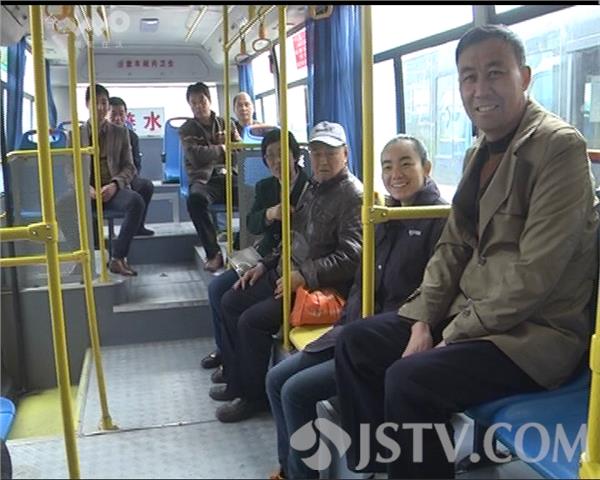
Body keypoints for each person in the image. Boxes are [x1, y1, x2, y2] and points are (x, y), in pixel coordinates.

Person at [335, 24, 599, 479]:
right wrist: (423, 319)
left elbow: (535, 274)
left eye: (495, 73)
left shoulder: (559, 147)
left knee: (410, 380)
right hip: (476, 315)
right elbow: (453, 246)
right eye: (468, 77)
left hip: (533, 334)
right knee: (356, 342)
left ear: (524, 77)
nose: (480, 89)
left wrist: (451, 333)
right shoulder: (478, 153)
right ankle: (380, 464)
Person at [265, 135, 447, 480]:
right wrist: (345, 323)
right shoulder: (384, 217)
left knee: (294, 392)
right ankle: (290, 470)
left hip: (392, 338)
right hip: (355, 330)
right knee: (276, 379)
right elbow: (362, 283)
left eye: (406, 164)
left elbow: (435, 293)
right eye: (387, 167)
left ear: (426, 167)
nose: (396, 174)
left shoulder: (439, 219)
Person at [211, 121, 363, 423]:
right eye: (317, 153)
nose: (322, 161)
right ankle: (238, 381)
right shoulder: (315, 188)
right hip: (286, 271)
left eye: (330, 153)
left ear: (345, 154)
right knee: (230, 300)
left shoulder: (352, 195)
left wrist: (303, 275)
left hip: (317, 286)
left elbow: (351, 256)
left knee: (251, 321)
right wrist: (264, 265)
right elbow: (292, 237)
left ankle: (254, 398)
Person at [202, 129, 310, 374]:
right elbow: (252, 224)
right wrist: (270, 214)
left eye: (282, 153)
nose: (276, 161)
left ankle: (232, 361)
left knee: (231, 298)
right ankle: (225, 352)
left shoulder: (309, 187)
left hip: (289, 258)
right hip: (264, 253)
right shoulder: (265, 187)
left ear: (295, 155)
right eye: (270, 156)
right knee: (216, 289)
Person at [57, 83, 144, 276]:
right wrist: (84, 187)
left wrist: (114, 185)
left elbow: (130, 167)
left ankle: (118, 258)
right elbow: (69, 169)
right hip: (87, 191)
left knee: (136, 202)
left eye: (104, 102)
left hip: (113, 190)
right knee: (62, 206)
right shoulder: (75, 135)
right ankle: (81, 256)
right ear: (87, 105)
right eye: (95, 103)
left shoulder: (121, 133)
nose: (100, 107)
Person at [179, 82, 242, 272]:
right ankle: (213, 254)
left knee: (254, 196)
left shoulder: (227, 124)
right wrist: (222, 148)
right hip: (203, 180)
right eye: (194, 103)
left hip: (230, 176)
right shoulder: (187, 129)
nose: (199, 106)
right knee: (195, 200)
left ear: (210, 100)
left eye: (202, 101)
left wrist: (212, 152)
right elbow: (195, 156)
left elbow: (239, 151)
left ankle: (241, 246)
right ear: (189, 105)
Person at [108, 96, 155, 236]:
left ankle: (138, 226)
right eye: (113, 114)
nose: (118, 118)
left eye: (121, 114)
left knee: (146, 185)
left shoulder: (132, 136)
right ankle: (95, 236)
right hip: (106, 179)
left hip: (128, 176)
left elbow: (135, 164)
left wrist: (125, 180)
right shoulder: (101, 134)